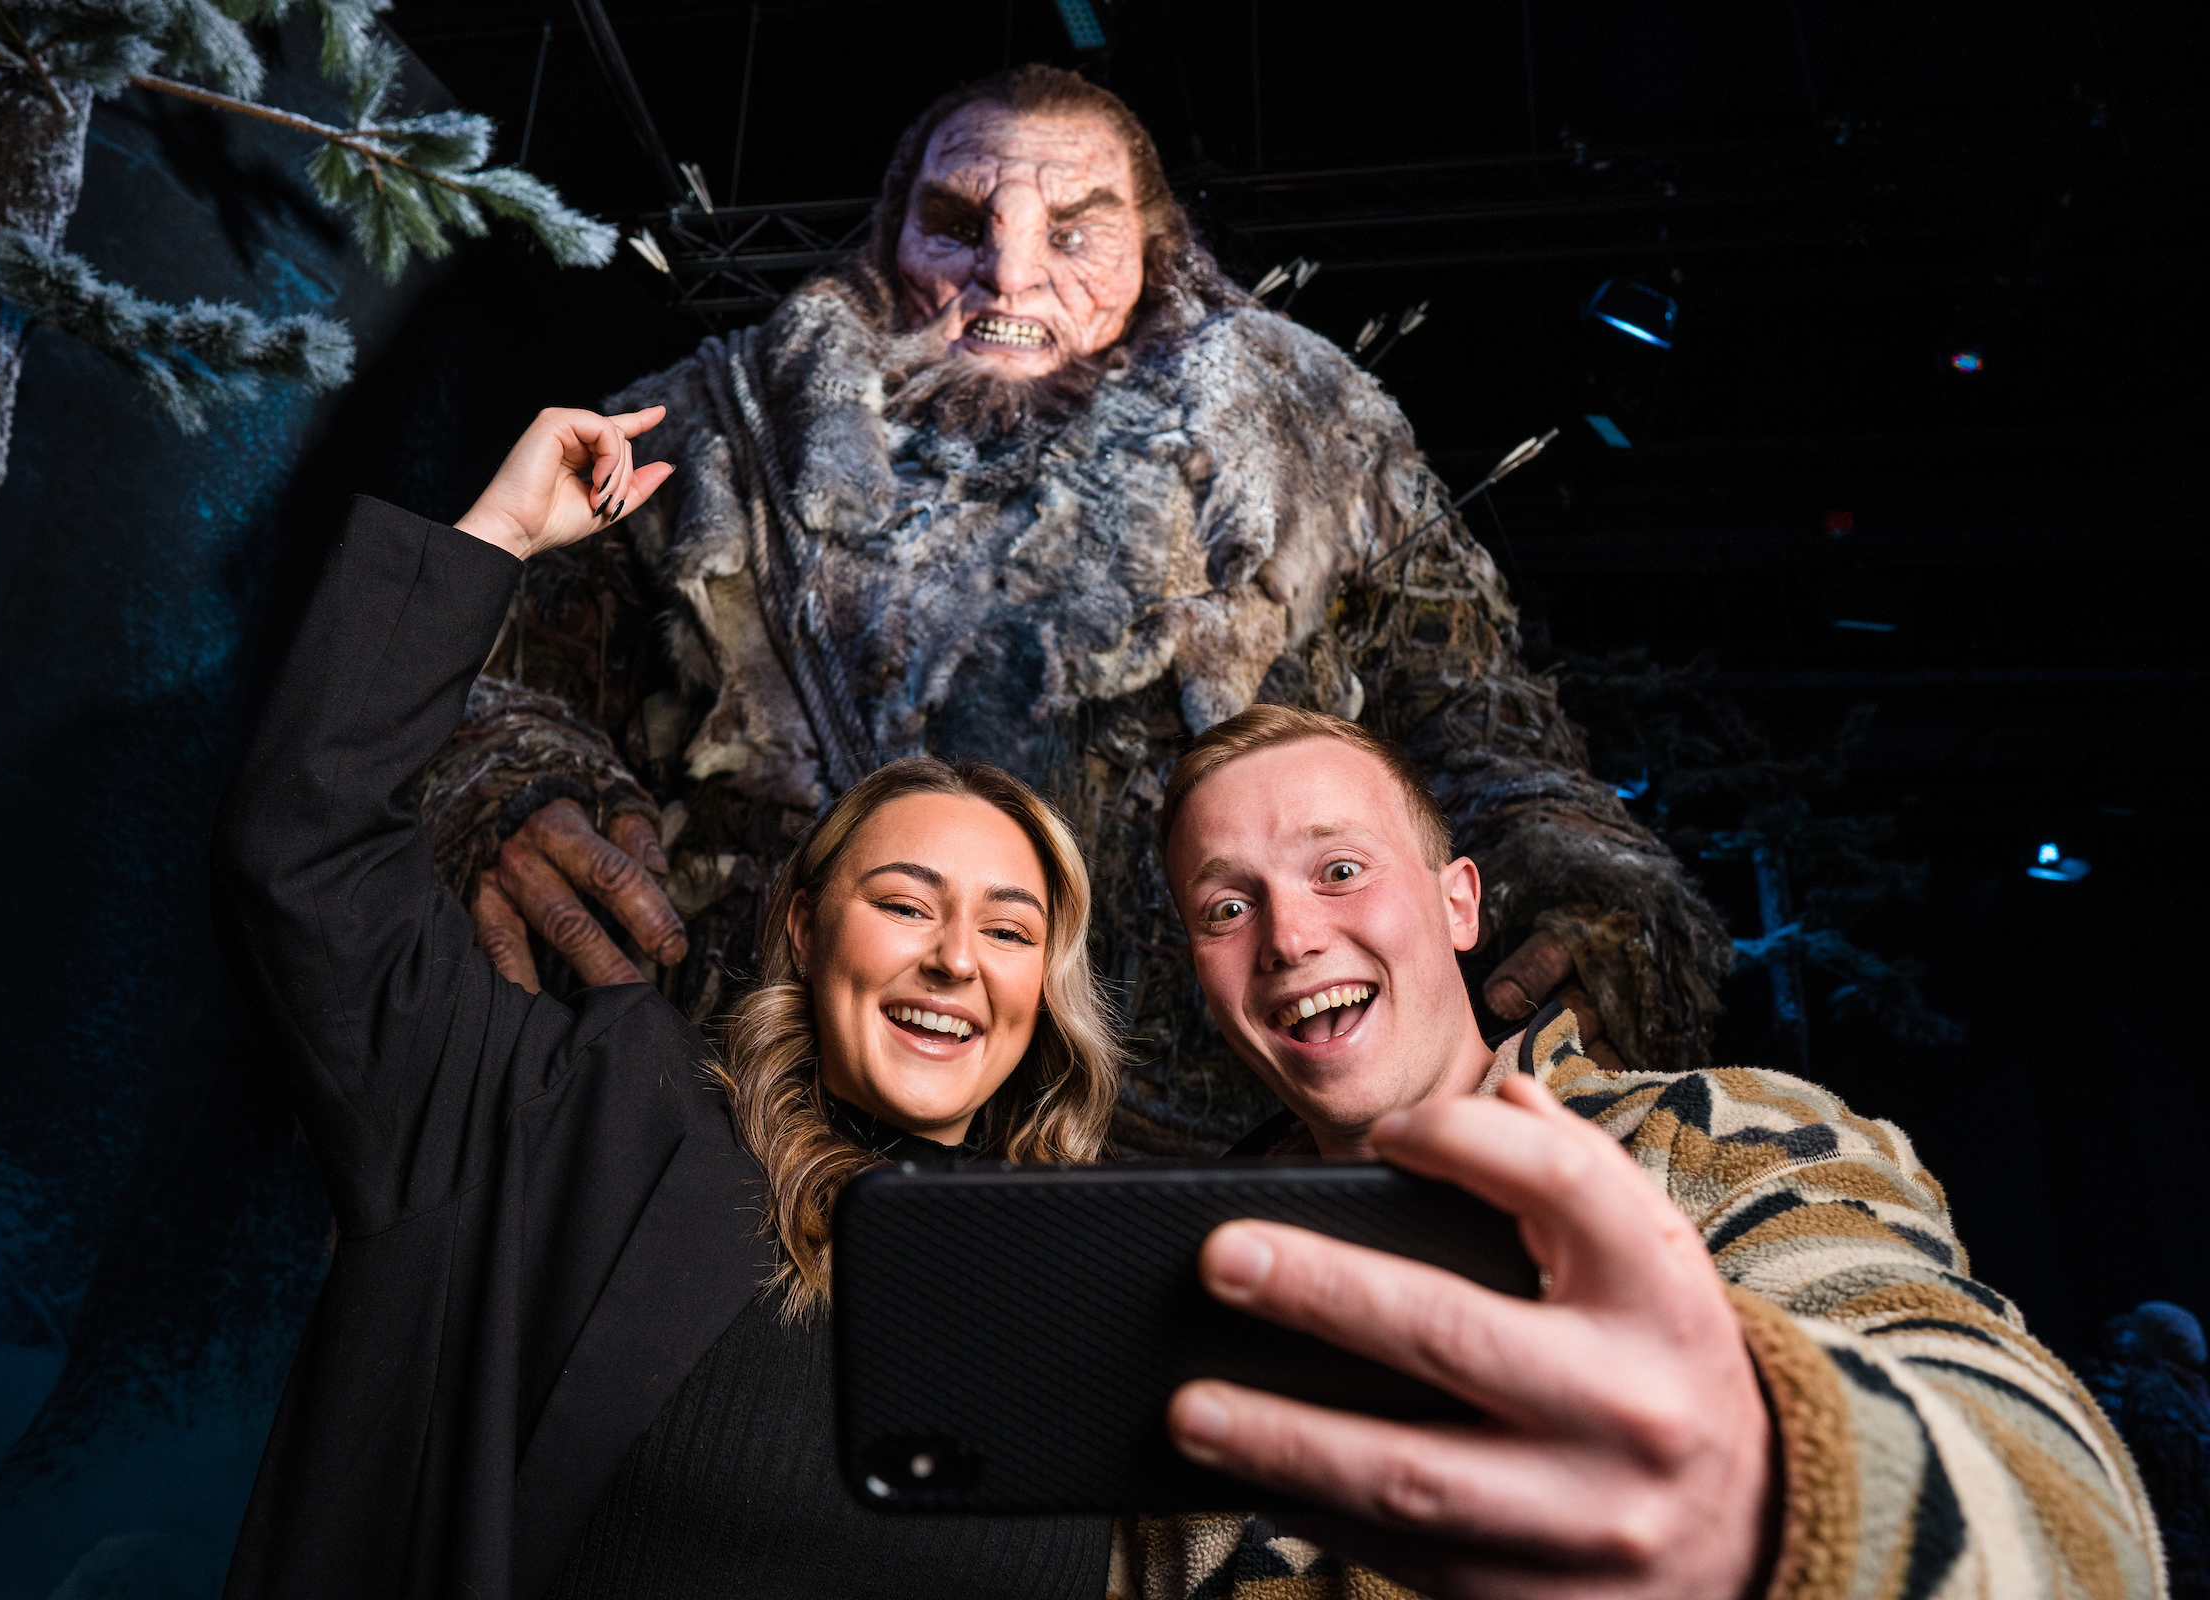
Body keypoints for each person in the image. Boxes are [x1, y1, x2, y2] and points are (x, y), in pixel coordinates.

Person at [418, 65, 1732, 1161]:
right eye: (958, 225)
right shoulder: (717, 433)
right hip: (785, 1144)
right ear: (889, 242)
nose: (1009, 271)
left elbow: (1481, 733)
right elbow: (493, 680)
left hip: (1213, 1148)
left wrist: (1586, 877)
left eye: (1073, 231)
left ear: (1156, 255)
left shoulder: (1320, 446)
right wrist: (514, 780)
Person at [209, 406, 1124, 1600]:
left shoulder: (1087, 1316)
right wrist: (495, 535)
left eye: (1008, 930)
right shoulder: (582, 1119)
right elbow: (304, 852)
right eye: (906, 904)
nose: (957, 959)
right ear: (803, 927)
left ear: (1043, 990)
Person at [1131, 705, 2162, 1600]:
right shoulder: (1185, 1276)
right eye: (1229, 908)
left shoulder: (1721, 1137)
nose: (1290, 937)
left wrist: (1775, 1503)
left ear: (1459, 903)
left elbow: (2064, 1513)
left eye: (1341, 870)